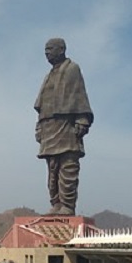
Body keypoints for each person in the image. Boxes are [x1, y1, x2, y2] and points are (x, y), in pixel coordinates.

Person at [34, 38, 93, 215]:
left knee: (68, 166)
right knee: (52, 169)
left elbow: (79, 95)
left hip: (66, 125)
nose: (47, 52)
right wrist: (39, 127)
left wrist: (82, 119)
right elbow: (41, 104)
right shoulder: (49, 75)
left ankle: (67, 205)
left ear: (62, 50)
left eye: (50, 49)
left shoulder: (71, 69)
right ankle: (56, 203)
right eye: (45, 49)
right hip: (48, 126)